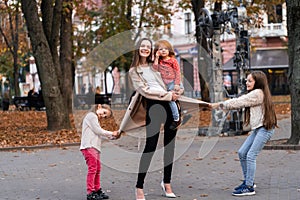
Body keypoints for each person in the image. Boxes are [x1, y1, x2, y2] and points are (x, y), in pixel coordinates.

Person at [118, 38, 209, 200]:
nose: (145, 49)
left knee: (170, 147)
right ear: (138, 49)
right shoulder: (134, 70)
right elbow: (145, 91)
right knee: (150, 146)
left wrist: (178, 90)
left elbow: (171, 78)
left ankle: (167, 183)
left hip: (170, 105)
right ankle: (139, 186)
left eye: (148, 46)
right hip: (154, 107)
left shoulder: (157, 65)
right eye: (142, 46)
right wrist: (168, 95)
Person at [210, 71, 277, 196]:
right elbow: (241, 100)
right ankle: (248, 180)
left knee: (251, 155)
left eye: (250, 81)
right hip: (258, 128)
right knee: (242, 152)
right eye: (246, 80)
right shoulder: (257, 93)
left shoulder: (258, 93)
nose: (247, 82)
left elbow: (239, 102)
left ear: (258, 82)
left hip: (265, 128)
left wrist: (220, 105)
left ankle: (249, 186)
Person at [80, 104, 119, 200]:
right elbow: (98, 131)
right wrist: (111, 133)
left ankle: (97, 190)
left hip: (94, 148)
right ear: (99, 107)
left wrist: (112, 137)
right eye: (104, 113)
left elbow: (98, 134)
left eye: (105, 116)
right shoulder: (91, 116)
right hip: (89, 146)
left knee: (97, 169)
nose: (103, 116)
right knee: (93, 169)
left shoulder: (95, 119)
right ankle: (90, 192)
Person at [153, 40, 182, 130]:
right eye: (161, 49)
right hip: (164, 85)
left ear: (169, 50)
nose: (163, 50)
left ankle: (176, 119)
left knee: (171, 99)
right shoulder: (160, 61)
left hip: (172, 83)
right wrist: (156, 57)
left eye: (165, 48)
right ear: (157, 51)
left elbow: (177, 72)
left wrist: (177, 84)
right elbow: (155, 68)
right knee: (166, 100)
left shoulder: (173, 61)